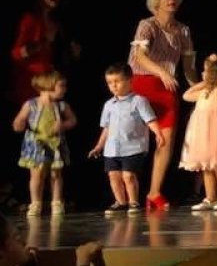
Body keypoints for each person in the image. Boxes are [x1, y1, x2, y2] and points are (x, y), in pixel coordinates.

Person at [127, 0, 200, 211]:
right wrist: (160, 72)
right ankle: (127, 195)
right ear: (156, 1)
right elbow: (139, 56)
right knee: (133, 140)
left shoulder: (183, 30)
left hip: (166, 87)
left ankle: (154, 192)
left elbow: (189, 68)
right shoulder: (147, 25)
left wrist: (202, 91)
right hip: (141, 85)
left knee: (166, 142)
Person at [87, 63, 164, 215]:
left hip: (133, 146)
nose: (113, 86)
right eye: (110, 82)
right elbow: (106, 128)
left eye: (118, 81)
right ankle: (120, 202)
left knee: (128, 175)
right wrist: (99, 146)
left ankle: (133, 202)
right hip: (112, 149)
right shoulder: (108, 105)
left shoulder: (139, 101)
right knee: (113, 175)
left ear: (130, 81)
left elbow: (150, 119)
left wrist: (158, 133)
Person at [179, 54, 217, 211]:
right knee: (206, 167)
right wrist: (204, 83)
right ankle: (210, 198)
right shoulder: (204, 91)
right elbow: (186, 95)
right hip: (201, 135)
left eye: (206, 71)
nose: (203, 74)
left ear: (215, 74)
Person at [14, 71, 76, 216]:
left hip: (55, 145)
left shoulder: (61, 106)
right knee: (37, 175)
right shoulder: (31, 104)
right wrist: (19, 123)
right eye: (61, 86)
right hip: (37, 145)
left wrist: (64, 125)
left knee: (56, 174)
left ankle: (57, 202)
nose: (65, 89)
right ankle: (35, 203)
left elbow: (72, 120)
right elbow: (19, 120)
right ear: (48, 86)